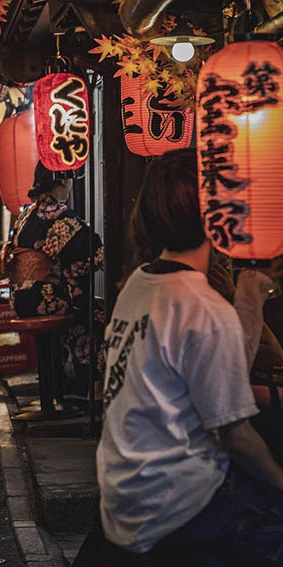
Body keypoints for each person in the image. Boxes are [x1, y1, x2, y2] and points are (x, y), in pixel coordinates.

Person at [96, 148, 283, 561]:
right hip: (177, 504)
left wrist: (251, 292)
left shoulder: (138, 286)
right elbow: (236, 436)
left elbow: (222, 373)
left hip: (125, 498)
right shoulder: (201, 304)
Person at [2, 160, 102, 396]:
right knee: (92, 312)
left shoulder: (27, 214)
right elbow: (93, 255)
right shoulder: (60, 216)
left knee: (76, 296)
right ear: (61, 181)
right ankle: (82, 386)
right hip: (43, 298)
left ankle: (57, 383)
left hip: (21, 299)